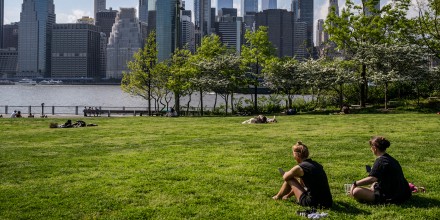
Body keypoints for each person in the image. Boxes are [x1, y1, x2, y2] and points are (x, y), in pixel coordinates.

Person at [350, 136, 411, 204]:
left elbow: (372, 179)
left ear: (374, 148)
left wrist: (355, 183)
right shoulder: (390, 159)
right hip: (403, 193)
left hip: (391, 196)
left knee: (356, 191)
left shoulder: (380, 161)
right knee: (374, 185)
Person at [273, 142, 333, 208]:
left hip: (313, 203)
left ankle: (277, 197)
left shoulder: (300, 168)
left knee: (289, 178)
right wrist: (288, 196)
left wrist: (285, 173)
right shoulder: (316, 164)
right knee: (294, 178)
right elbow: (300, 185)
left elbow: (285, 177)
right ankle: (283, 196)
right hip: (328, 203)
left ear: (297, 155)